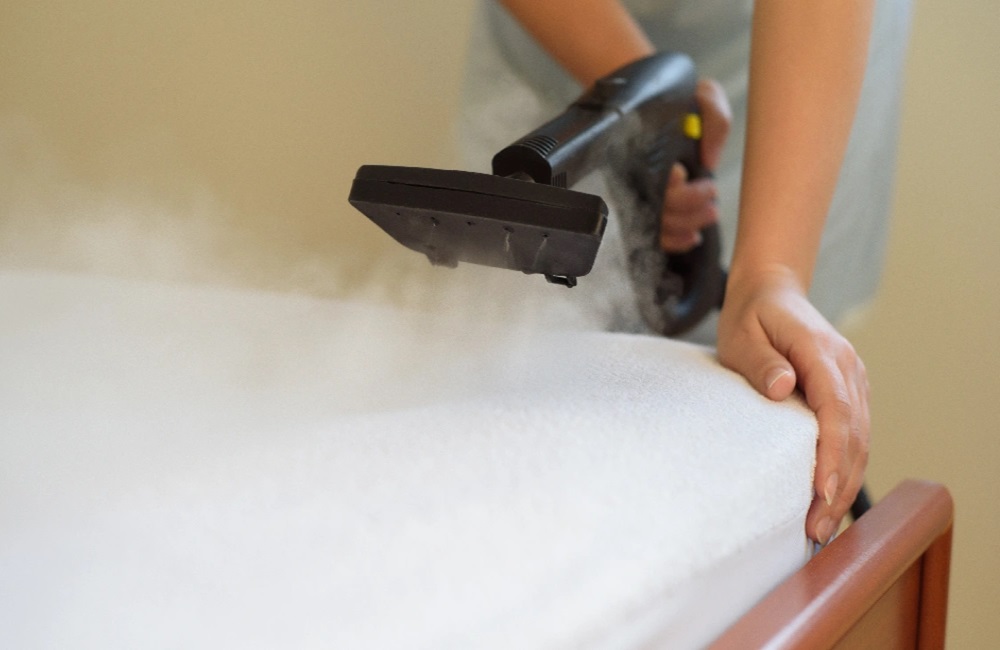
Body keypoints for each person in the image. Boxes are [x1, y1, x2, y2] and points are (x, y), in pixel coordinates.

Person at [458, 0, 911, 545]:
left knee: (755, 385)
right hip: (561, 47)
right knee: (523, 388)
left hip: (793, 60)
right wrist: (648, 100)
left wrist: (773, 272)